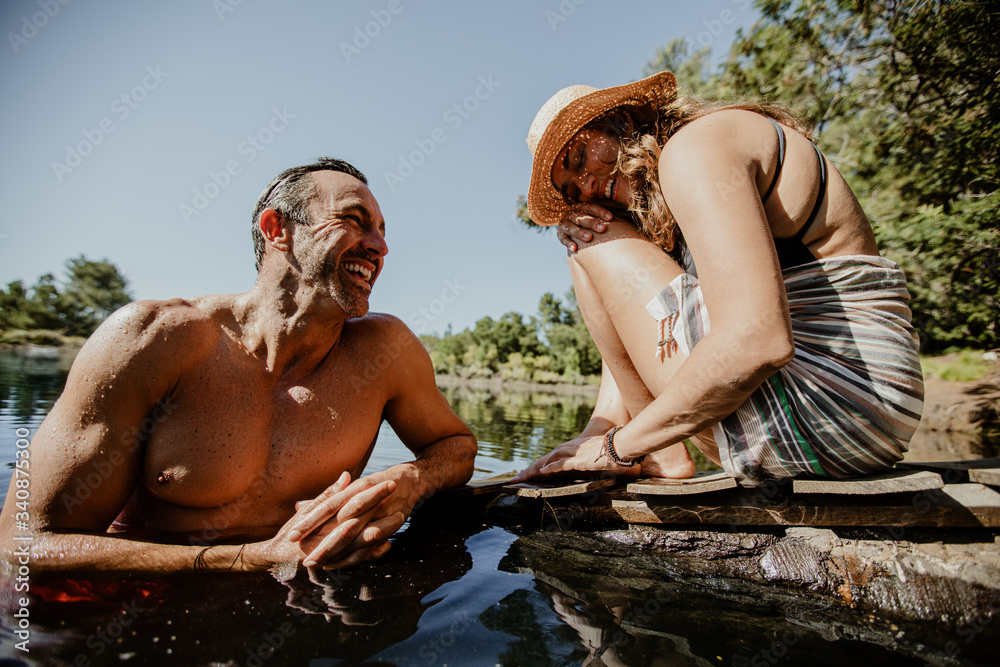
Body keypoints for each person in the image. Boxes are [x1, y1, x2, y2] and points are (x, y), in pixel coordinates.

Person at [0, 157, 477, 575]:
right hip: (139, 607)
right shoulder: (151, 339)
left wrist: (412, 479)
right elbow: (21, 547)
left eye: (382, 231)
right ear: (277, 229)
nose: (379, 247)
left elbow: (455, 446)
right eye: (354, 220)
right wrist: (250, 559)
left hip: (290, 609)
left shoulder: (385, 350)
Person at [514, 72, 924, 485]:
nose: (586, 186)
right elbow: (630, 322)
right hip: (867, 420)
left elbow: (757, 341)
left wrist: (617, 448)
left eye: (580, 159)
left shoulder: (695, 149)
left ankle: (652, 448)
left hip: (838, 403)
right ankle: (630, 439)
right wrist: (595, 439)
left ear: (619, 120)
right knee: (580, 229)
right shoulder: (683, 177)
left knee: (588, 236)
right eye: (571, 188)